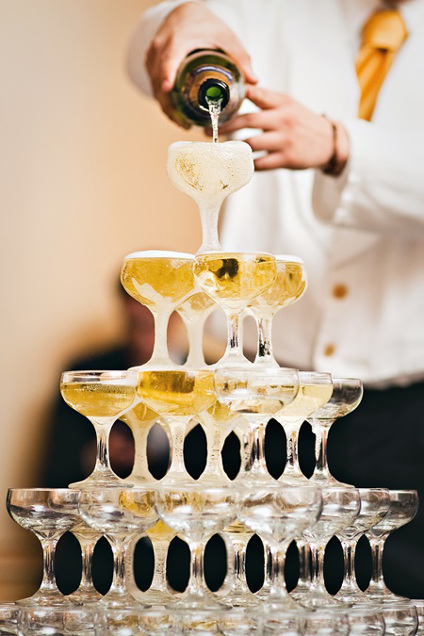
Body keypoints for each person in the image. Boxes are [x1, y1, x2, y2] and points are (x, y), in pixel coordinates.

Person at [126, 0, 424, 597]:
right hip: (259, 398)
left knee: (395, 600)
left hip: (409, 419)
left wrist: (344, 145)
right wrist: (175, 26)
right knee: (228, 592)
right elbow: (146, 53)